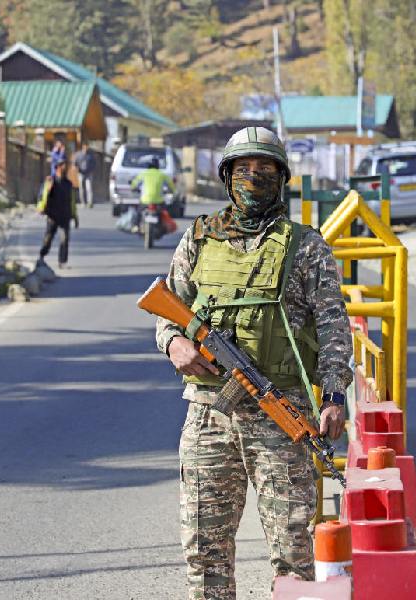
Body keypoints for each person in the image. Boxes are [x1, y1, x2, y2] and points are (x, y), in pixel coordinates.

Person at [155, 127, 352, 599]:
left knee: (292, 548)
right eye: (243, 168)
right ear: (227, 177)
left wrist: (333, 395)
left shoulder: (306, 247)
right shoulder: (199, 239)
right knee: (204, 546)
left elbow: (333, 326)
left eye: (265, 169)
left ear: (281, 178)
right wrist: (173, 343)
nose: (254, 177)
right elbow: (167, 310)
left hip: (280, 414)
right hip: (209, 414)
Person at [38, 158, 78, 268]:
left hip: (65, 215)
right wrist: (41, 208)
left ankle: (62, 262)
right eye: (62, 165)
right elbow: (42, 196)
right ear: (57, 168)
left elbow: (72, 201)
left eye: (65, 165)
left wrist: (75, 216)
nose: (65, 168)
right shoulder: (50, 181)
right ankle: (41, 256)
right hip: (52, 215)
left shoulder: (68, 184)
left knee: (64, 239)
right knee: (48, 238)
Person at [130, 157, 175, 229]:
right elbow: (171, 185)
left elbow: (134, 184)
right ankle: (163, 227)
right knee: (164, 212)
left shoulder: (143, 174)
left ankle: (136, 226)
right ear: (158, 166)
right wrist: (172, 191)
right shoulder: (162, 175)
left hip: (145, 200)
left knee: (138, 212)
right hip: (159, 201)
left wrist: (133, 188)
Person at [73, 142, 96, 206]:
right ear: (82, 147)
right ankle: (83, 202)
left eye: (87, 147)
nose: (85, 148)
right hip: (81, 173)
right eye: (84, 147)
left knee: (89, 188)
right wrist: (76, 168)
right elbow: (74, 163)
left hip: (89, 173)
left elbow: (94, 163)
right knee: (81, 188)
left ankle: (90, 202)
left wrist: (91, 169)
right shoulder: (78, 154)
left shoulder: (91, 155)